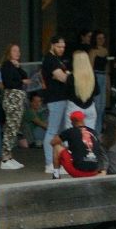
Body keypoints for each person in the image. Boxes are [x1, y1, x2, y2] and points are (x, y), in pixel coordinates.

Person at [40, 34, 73, 176]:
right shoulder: (50, 59)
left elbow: (62, 76)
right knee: (53, 131)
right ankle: (49, 162)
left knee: (58, 132)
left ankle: (58, 161)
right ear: (52, 45)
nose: (61, 49)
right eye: (59, 46)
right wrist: (70, 76)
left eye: (63, 47)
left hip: (60, 97)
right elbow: (62, 77)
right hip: (55, 98)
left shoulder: (56, 60)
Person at [0, 44, 28, 170]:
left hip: (18, 97)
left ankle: (9, 156)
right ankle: (5, 158)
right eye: (15, 51)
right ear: (9, 52)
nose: (18, 53)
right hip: (12, 97)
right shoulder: (6, 66)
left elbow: (24, 75)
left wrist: (18, 67)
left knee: (14, 127)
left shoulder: (14, 66)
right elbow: (9, 82)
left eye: (18, 50)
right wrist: (22, 82)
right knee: (11, 126)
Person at [52, 109, 104, 178]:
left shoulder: (70, 131)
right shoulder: (93, 132)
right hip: (94, 172)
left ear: (73, 121)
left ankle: (56, 176)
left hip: (78, 171)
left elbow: (53, 142)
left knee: (57, 147)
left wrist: (64, 147)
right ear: (83, 120)